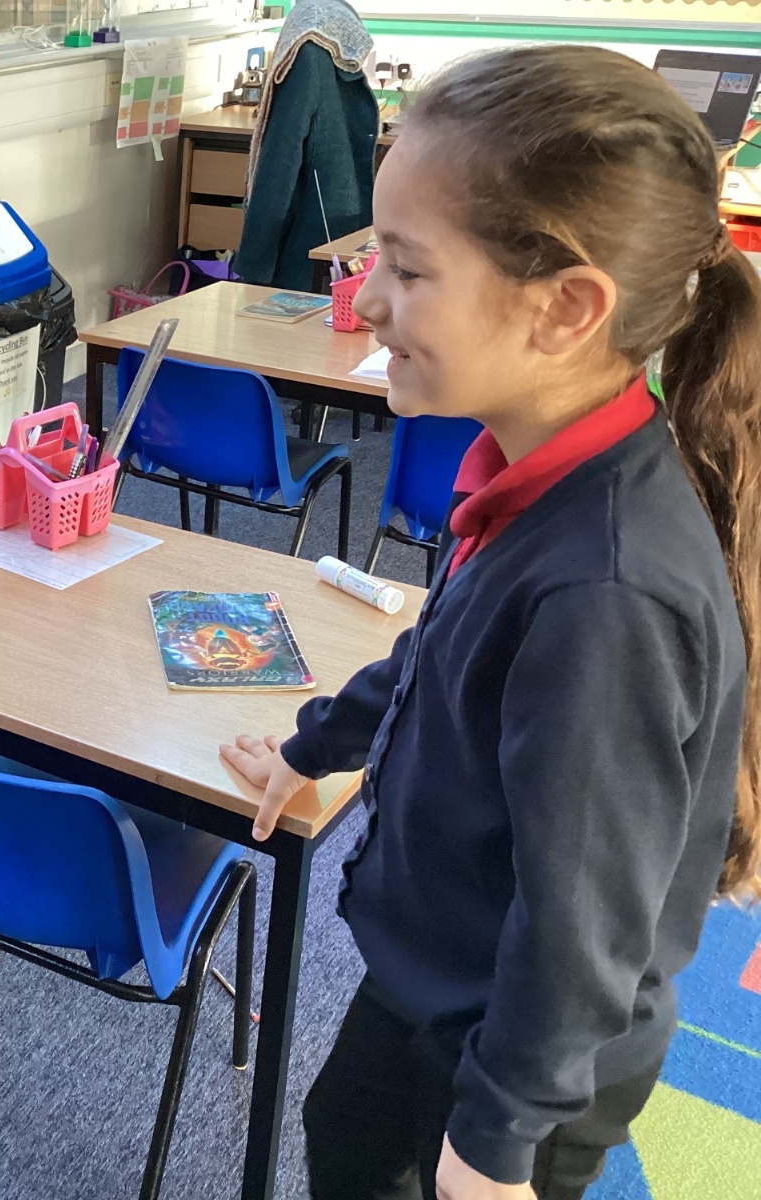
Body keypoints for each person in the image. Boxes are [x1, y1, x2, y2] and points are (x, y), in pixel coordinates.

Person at [222, 45, 758, 1200]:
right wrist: (315, 747)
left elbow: (581, 928)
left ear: (564, 308)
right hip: (443, 969)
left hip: (517, 1044)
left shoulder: (605, 595)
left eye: (407, 268)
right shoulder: (531, 476)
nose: (366, 298)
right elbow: (439, 653)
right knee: (341, 1133)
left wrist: (494, 1146)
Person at [233, 0, 377, 290]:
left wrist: (253, 265)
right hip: (344, 214)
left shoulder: (305, 47)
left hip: (308, 224)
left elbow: (279, 162)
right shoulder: (336, 36)